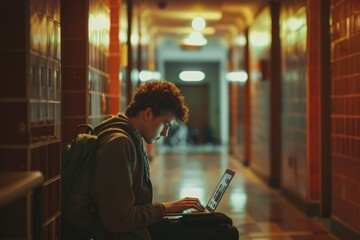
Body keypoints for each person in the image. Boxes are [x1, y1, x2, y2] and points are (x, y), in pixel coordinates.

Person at [90, 80, 239, 239]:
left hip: (138, 229)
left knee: (220, 222)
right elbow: (118, 220)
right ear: (148, 113)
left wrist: (168, 209)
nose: (165, 133)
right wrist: (167, 208)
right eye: (165, 124)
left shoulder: (129, 138)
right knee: (225, 233)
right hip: (129, 235)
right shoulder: (119, 144)